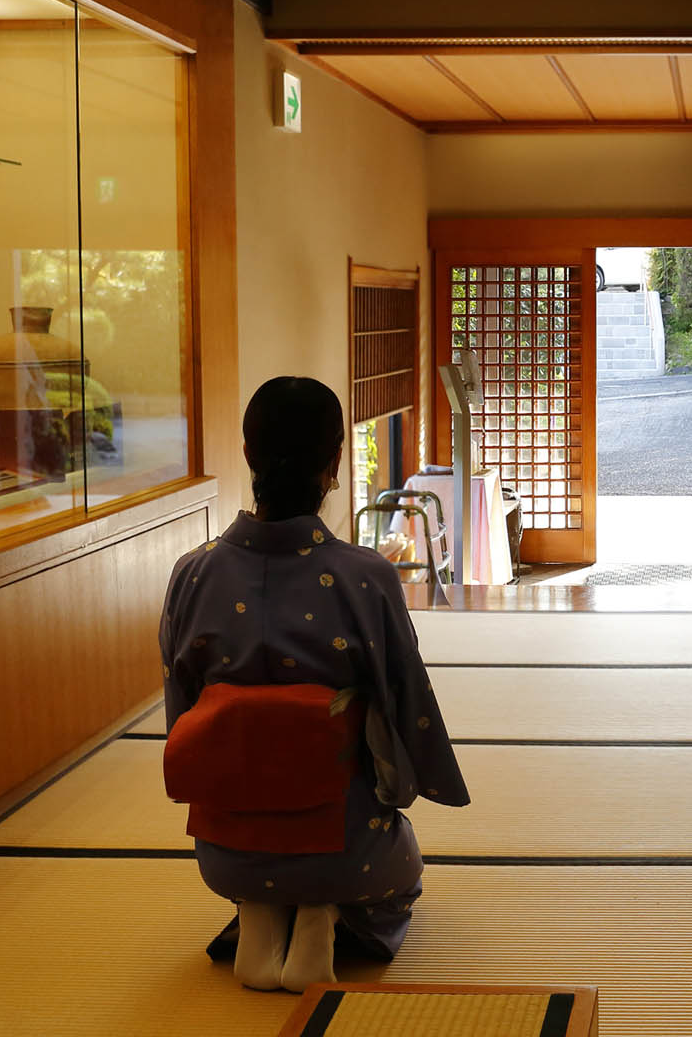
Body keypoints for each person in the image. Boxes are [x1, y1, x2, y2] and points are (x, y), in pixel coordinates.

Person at [157, 376, 469, 992]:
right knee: (400, 872)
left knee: (254, 828)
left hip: (226, 854)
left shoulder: (191, 575)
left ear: (248, 454)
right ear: (333, 464)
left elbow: (183, 720)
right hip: (348, 854)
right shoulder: (365, 576)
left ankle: (258, 910)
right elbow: (409, 708)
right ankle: (322, 915)